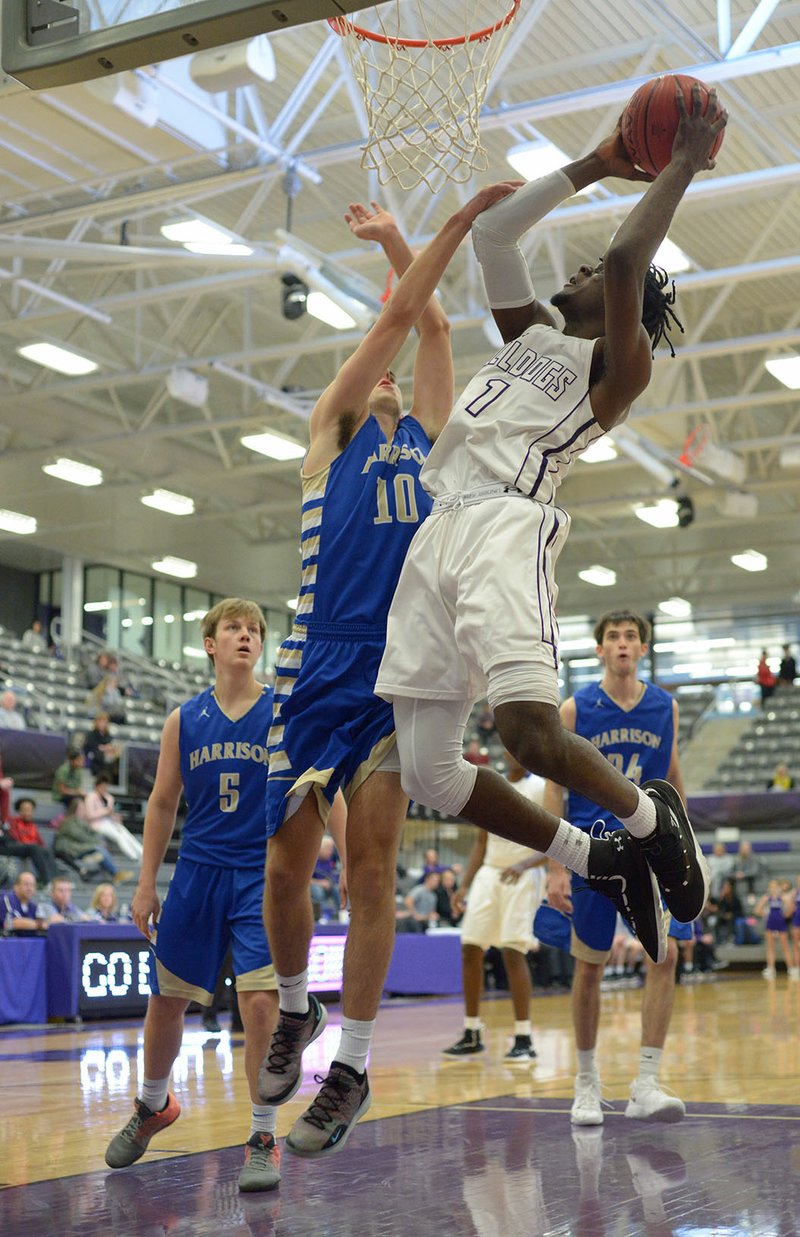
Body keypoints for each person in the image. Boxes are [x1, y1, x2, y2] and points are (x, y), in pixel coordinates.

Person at [375, 94, 723, 972]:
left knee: (528, 733)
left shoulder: (617, 363)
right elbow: (496, 241)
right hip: (436, 531)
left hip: (505, 523)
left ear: (621, 305)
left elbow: (627, 257)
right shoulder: (530, 336)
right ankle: (595, 854)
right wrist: (597, 162)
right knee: (429, 772)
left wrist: (677, 162)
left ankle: (650, 818)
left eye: (592, 279)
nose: (573, 276)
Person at [258, 185, 517, 1158]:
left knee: (371, 867)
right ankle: (294, 1009)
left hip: (395, 673)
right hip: (312, 667)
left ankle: (352, 1067)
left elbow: (434, 320)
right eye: (383, 370)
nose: (392, 381)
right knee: (284, 864)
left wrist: (420, 239)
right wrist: (428, 235)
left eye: (401, 378)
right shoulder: (328, 428)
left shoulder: (429, 446)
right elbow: (407, 312)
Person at [105, 599, 281, 1194]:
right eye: (234, 628)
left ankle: (262, 1136)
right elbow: (161, 802)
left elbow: (319, 789)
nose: (246, 636)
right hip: (198, 873)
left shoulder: (280, 713)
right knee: (166, 1001)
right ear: (210, 643)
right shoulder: (185, 718)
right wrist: (146, 881)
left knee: (259, 1004)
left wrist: (342, 855)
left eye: (255, 630)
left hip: (259, 874)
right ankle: (153, 1104)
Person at [544, 610, 693, 1125]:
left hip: (650, 850)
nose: (623, 644)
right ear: (600, 650)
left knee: (665, 957)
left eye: (631, 637)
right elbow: (555, 786)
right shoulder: (574, 709)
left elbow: (671, 777)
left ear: (643, 649)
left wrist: (686, 851)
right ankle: (586, 1085)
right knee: (590, 964)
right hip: (591, 847)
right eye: (614, 637)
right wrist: (554, 862)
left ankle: (645, 1084)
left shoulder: (664, 706)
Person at [443, 754, 546, 1064]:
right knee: (470, 947)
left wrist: (524, 863)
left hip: (524, 872)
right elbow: (481, 841)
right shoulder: (492, 786)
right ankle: (472, 1032)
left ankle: (524, 1036)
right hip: (491, 871)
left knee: (513, 951)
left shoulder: (541, 788)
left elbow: (556, 838)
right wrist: (464, 885)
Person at [53, 799, 128, 883]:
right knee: (99, 849)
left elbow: (91, 834)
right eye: (81, 808)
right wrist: (97, 843)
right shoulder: (70, 821)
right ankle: (115, 874)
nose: (84, 810)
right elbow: (80, 836)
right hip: (70, 849)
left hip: (79, 847)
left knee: (100, 853)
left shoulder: (81, 821)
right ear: (75, 809)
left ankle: (113, 875)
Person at [84, 773, 144, 862]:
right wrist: (105, 811)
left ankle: (143, 853)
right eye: (103, 786)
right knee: (118, 836)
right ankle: (133, 856)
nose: (104, 789)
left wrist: (112, 808)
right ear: (98, 786)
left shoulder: (107, 797)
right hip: (97, 824)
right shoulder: (90, 797)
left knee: (125, 833)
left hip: (108, 821)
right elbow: (89, 815)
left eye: (106, 786)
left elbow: (110, 812)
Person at [3, 796, 58, 885]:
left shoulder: (33, 826)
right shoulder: (13, 822)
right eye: (25, 810)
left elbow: (40, 843)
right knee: (34, 847)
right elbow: (14, 838)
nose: (28, 813)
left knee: (47, 850)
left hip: (31, 848)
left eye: (30, 810)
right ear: (19, 811)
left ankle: (57, 880)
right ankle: (47, 882)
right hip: (17, 846)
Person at [754, 880, 798, 980]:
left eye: (775, 886)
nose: (773, 889)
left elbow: (792, 908)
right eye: (771, 887)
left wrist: (785, 915)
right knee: (770, 947)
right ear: (769, 888)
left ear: (779, 887)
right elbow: (757, 910)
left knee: (785, 946)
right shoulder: (766, 898)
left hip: (781, 923)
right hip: (770, 923)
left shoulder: (782, 897)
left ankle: (791, 968)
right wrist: (765, 913)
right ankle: (771, 968)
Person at [309, 835, 341, 921]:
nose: (330, 851)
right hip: (314, 887)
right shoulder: (311, 860)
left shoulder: (331, 859)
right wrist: (320, 883)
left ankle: (341, 913)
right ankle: (321, 915)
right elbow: (305, 880)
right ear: (320, 848)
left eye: (331, 848)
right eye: (328, 848)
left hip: (329, 886)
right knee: (317, 891)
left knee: (337, 888)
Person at [83, 712, 122, 780]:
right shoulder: (91, 734)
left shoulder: (108, 735)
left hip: (107, 758)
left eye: (105, 722)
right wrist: (103, 748)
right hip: (95, 758)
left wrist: (111, 748)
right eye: (101, 722)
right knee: (100, 756)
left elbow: (111, 745)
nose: (103, 724)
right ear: (96, 722)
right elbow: (89, 747)